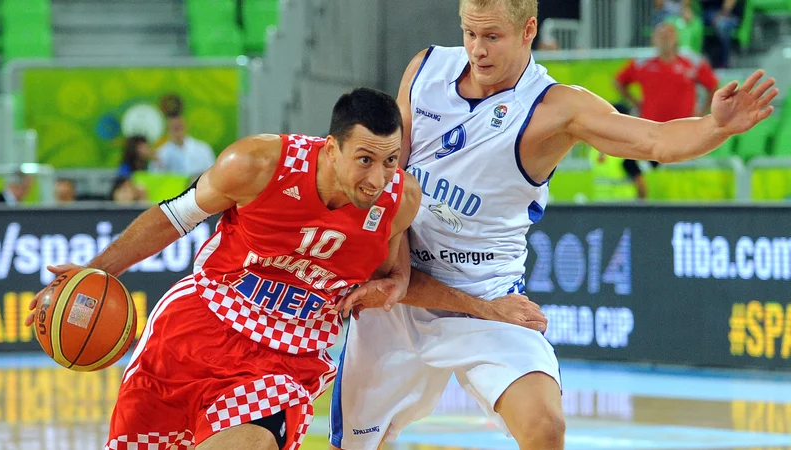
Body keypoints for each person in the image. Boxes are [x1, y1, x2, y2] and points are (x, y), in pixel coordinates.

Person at [330, 0, 777, 449]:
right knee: (360, 444)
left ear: (528, 30)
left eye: (491, 37)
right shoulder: (425, 69)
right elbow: (390, 187)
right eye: (469, 33)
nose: (476, 50)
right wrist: (395, 272)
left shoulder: (556, 108)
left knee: (545, 427)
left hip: (490, 300)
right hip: (399, 293)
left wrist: (715, 127)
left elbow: (654, 140)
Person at [25, 88, 422, 450]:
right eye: (365, 160)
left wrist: (397, 283)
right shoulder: (257, 164)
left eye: (389, 161)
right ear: (332, 148)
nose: (377, 179)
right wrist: (94, 271)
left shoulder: (399, 198)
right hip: (198, 329)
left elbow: (390, 272)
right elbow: (175, 218)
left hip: (285, 361)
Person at [615, 21, 719, 199]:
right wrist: (636, 102)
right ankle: (647, 204)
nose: (665, 39)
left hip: (684, 132)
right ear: (653, 40)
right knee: (643, 171)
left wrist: (701, 112)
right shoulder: (642, 64)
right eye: (660, 35)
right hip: (652, 132)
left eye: (668, 35)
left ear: (676, 38)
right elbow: (619, 82)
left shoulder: (692, 63)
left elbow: (712, 85)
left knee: (682, 175)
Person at [153, 95, 217, 177]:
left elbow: (213, 175)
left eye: (180, 127)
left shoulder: (203, 149)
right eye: (174, 129)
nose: (178, 132)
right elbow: (155, 178)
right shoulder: (161, 153)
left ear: (185, 126)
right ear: (167, 130)